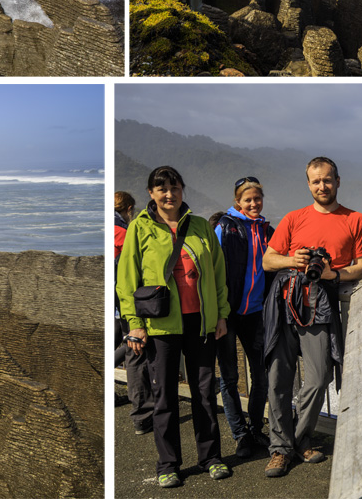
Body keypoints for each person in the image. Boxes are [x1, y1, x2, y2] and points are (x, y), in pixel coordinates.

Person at [117, 165, 232, 488]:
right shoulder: (140, 229)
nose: (169, 194)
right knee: (164, 396)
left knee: (205, 393)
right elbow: (126, 281)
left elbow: (218, 273)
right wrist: (135, 325)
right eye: (161, 188)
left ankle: (211, 457)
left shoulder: (199, 226)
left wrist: (221, 315)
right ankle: (168, 464)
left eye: (175, 187)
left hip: (201, 322)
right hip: (160, 325)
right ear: (151, 194)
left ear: (183, 190)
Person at [260, 156, 362, 478]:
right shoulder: (294, 219)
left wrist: (330, 273)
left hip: (321, 303)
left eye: (327, 179)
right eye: (315, 181)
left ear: (337, 181)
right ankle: (280, 450)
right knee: (278, 378)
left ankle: (295, 440)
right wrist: (291, 260)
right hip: (285, 303)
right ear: (309, 184)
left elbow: (361, 267)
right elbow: (268, 261)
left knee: (320, 376)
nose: (321, 186)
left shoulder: (356, 220)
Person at [211, 176, 274, 459]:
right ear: (237, 202)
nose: (253, 204)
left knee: (261, 375)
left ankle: (256, 428)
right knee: (229, 376)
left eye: (256, 199)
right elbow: (211, 270)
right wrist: (218, 313)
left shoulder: (267, 230)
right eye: (247, 200)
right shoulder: (224, 227)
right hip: (228, 312)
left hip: (257, 312)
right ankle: (240, 435)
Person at [113, 190, 154, 436]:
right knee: (135, 355)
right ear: (129, 210)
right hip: (126, 305)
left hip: (113, 303)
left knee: (128, 349)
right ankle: (143, 416)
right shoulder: (123, 234)